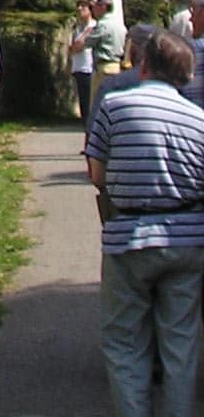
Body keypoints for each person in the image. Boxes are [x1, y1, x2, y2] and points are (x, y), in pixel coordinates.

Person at [83, 28, 204, 417]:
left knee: (125, 344)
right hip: (187, 239)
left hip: (128, 238)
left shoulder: (114, 107)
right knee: (180, 345)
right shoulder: (199, 120)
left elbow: (96, 175)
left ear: (144, 63)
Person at [89, 0, 126, 113]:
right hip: (117, 66)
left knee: (98, 104)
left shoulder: (102, 25)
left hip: (104, 66)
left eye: (95, 7)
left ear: (103, 7)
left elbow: (88, 41)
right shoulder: (120, 25)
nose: (93, 10)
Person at [68, 0, 96, 126]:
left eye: (83, 7)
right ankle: (86, 124)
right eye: (78, 7)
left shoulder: (93, 26)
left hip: (89, 67)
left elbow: (81, 45)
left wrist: (80, 42)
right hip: (78, 67)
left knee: (90, 98)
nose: (79, 9)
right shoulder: (78, 28)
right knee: (83, 99)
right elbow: (72, 48)